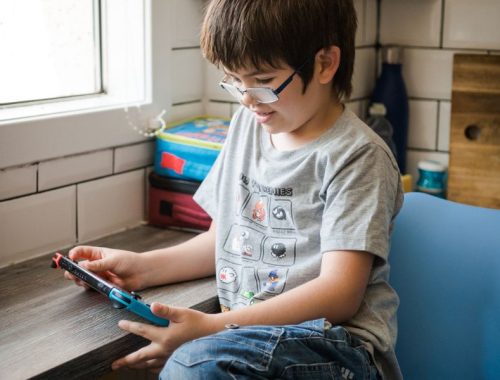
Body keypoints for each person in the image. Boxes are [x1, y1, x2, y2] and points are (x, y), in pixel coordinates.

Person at [66, 0, 404, 378]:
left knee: (195, 367)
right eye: (234, 80)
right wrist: (140, 269)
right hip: (249, 336)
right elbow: (227, 240)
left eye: (262, 82)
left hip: (335, 348)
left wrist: (212, 329)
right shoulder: (250, 125)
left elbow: (340, 294)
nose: (246, 98)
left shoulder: (358, 156)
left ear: (325, 63)